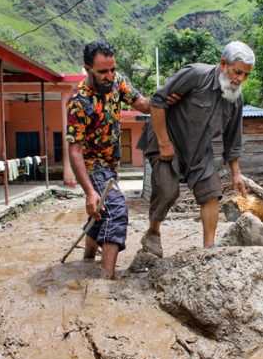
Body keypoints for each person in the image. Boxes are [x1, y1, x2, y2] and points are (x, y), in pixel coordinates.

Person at [66, 40, 179, 278]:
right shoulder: (79, 101)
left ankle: (87, 259)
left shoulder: (118, 84)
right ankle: (107, 279)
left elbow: (144, 105)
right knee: (116, 211)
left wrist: (168, 99)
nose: (109, 76)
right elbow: (74, 151)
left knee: (99, 213)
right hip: (92, 167)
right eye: (103, 72)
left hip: (110, 165)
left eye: (113, 69)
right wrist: (89, 191)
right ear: (88, 69)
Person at [139, 41, 255, 257]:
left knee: (212, 193)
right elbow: (156, 101)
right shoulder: (196, 75)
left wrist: (236, 174)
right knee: (168, 190)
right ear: (223, 64)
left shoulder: (235, 100)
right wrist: (164, 142)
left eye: (246, 75)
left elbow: (233, 139)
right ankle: (153, 233)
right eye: (237, 71)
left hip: (200, 149)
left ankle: (208, 250)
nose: (240, 79)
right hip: (169, 138)